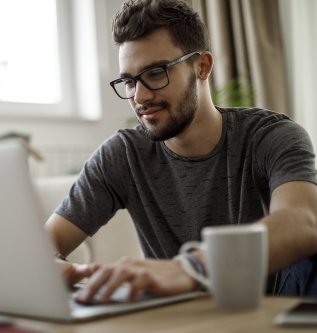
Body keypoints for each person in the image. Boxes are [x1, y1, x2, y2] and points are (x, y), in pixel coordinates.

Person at [45, 0, 317, 304]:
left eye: (156, 73)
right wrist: (47, 265)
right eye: (129, 81)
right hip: (179, 317)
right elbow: (46, 241)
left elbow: (303, 220)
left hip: (271, 308)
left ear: (202, 66)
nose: (140, 96)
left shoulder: (270, 136)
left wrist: (190, 267)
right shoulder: (123, 155)